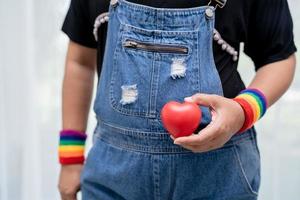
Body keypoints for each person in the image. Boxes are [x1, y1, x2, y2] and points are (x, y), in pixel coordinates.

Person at [58, 0, 297, 199]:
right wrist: (70, 158)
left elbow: (278, 58)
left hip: (217, 175)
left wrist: (243, 110)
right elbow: (79, 63)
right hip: (112, 177)